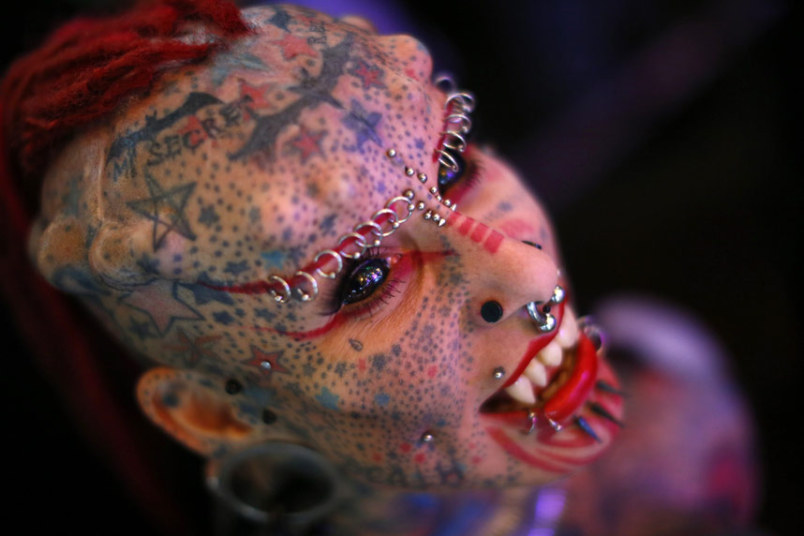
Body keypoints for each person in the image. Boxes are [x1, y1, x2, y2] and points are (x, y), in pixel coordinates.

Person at [0, 2, 758, 535]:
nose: (528, 277)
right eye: (362, 279)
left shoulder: (675, 403)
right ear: (220, 415)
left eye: (454, 166)